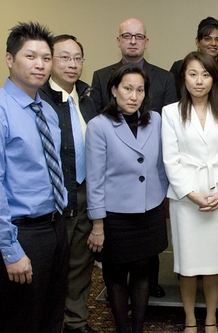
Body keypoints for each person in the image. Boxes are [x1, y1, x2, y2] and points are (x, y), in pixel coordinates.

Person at [91, 18, 174, 298]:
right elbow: (98, 138)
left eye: (139, 36)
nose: (133, 41)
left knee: (145, 263)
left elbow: (169, 126)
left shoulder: (164, 77)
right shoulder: (102, 77)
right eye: (127, 35)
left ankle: (152, 283)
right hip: (117, 191)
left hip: (150, 191)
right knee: (116, 269)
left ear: (146, 42)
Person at [86, 64, 169, 333]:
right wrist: (98, 225)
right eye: (127, 89)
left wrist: (161, 195)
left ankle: (137, 328)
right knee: (116, 275)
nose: (134, 96)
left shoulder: (156, 120)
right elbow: (95, 179)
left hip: (150, 210)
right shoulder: (99, 126)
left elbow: (162, 165)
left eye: (140, 90)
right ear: (114, 90)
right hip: (115, 215)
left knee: (144, 272)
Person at [0, 22, 69, 333]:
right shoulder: (2, 111)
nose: (40, 65)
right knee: (22, 318)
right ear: (10, 59)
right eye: (30, 56)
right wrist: (10, 250)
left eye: (45, 57)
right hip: (22, 233)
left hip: (56, 226)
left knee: (53, 313)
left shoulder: (47, 110)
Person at [162, 51, 218, 333]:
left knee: (214, 263)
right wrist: (191, 194)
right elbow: (170, 159)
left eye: (205, 74)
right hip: (186, 198)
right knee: (188, 263)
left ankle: (211, 318)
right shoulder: (170, 111)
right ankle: (190, 319)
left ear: (214, 78)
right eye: (193, 74)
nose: (199, 81)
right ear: (184, 77)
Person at [39, 34, 99, 333]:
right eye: (64, 57)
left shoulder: (87, 99)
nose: (72, 64)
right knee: (49, 267)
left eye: (77, 58)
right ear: (50, 61)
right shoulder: (38, 100)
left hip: (85, 193)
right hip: (52, 196)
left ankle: (76, 322)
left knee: (80, 263)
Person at [170, 17, 218, 106]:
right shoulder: (180, 67)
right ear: (197, 42)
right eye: (207, 39)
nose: (213, 43)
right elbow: (171, 97)